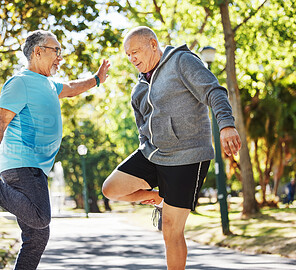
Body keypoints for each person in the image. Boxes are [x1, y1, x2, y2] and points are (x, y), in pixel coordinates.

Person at [0, 30, 110, 269]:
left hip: (34, 167)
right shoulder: (20, 82)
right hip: (21, 164)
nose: (60, 57)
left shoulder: (48, 84)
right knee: (41, 217)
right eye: (56, 50)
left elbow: (71, 87)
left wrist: (97, 79)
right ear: (38, 51)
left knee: (37, 236)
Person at [102, 26, 241, 270]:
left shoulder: (181, 61)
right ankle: (158, 197)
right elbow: (142, 127)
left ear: (153, 44)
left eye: (135, 52)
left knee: (171, 231)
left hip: (187, 156)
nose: (132, 58)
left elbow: (214, 91)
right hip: (153, 153)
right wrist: (144, 148)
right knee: (111, 188)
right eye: (128, 55)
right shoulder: (139, 87)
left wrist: (226, 125)